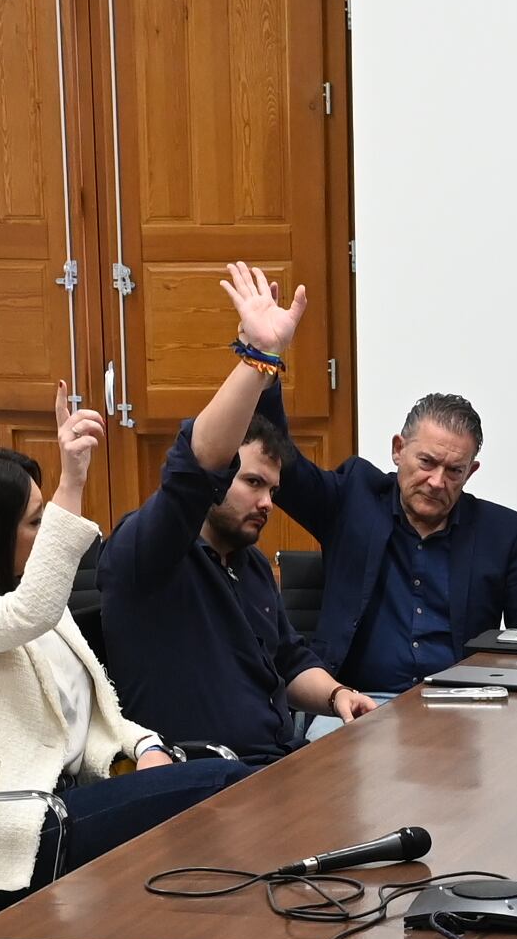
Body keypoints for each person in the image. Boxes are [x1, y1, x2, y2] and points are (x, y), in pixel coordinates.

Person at [0, 392, 249, 898]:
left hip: (66, 804)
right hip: (9, 832)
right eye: (35, 522)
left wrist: (144, 746)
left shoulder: (32, 600)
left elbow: (94, 712)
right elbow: (27, 614)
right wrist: (73, 480)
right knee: (226, 784)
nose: (46, 534)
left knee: (218, 798)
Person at [83, 265, 381, 756]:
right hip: (199, 786)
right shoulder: (148, 554)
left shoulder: (252, 565)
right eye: (251, 482)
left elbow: (288, 659)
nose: (267, 501)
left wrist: (337, 695)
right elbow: (192, 471)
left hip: (274, 769)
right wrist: (255, 359)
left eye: (272, 488)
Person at [276, 380, 517, 694]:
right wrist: (264, 361)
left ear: (471, 472)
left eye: (454, 471)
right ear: (398, 449)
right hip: (354, 704)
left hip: (460, 707)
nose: (437, 482)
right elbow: (280, 463)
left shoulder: (501, 532)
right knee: (323, 743)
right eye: (427, 462)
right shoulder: (353, 498)